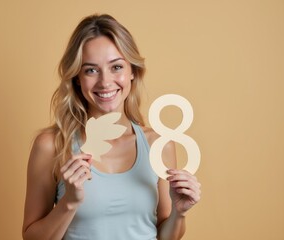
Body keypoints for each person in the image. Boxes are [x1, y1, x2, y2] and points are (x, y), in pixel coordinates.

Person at [22, 14, 201, 240]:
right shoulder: (51, 146)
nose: (105, 82)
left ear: (132, 71)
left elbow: (165, 235)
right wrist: (68, 203)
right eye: (91, 70)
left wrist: (180, 212)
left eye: (116, 67)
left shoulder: (159, 144)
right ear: (77, 77)